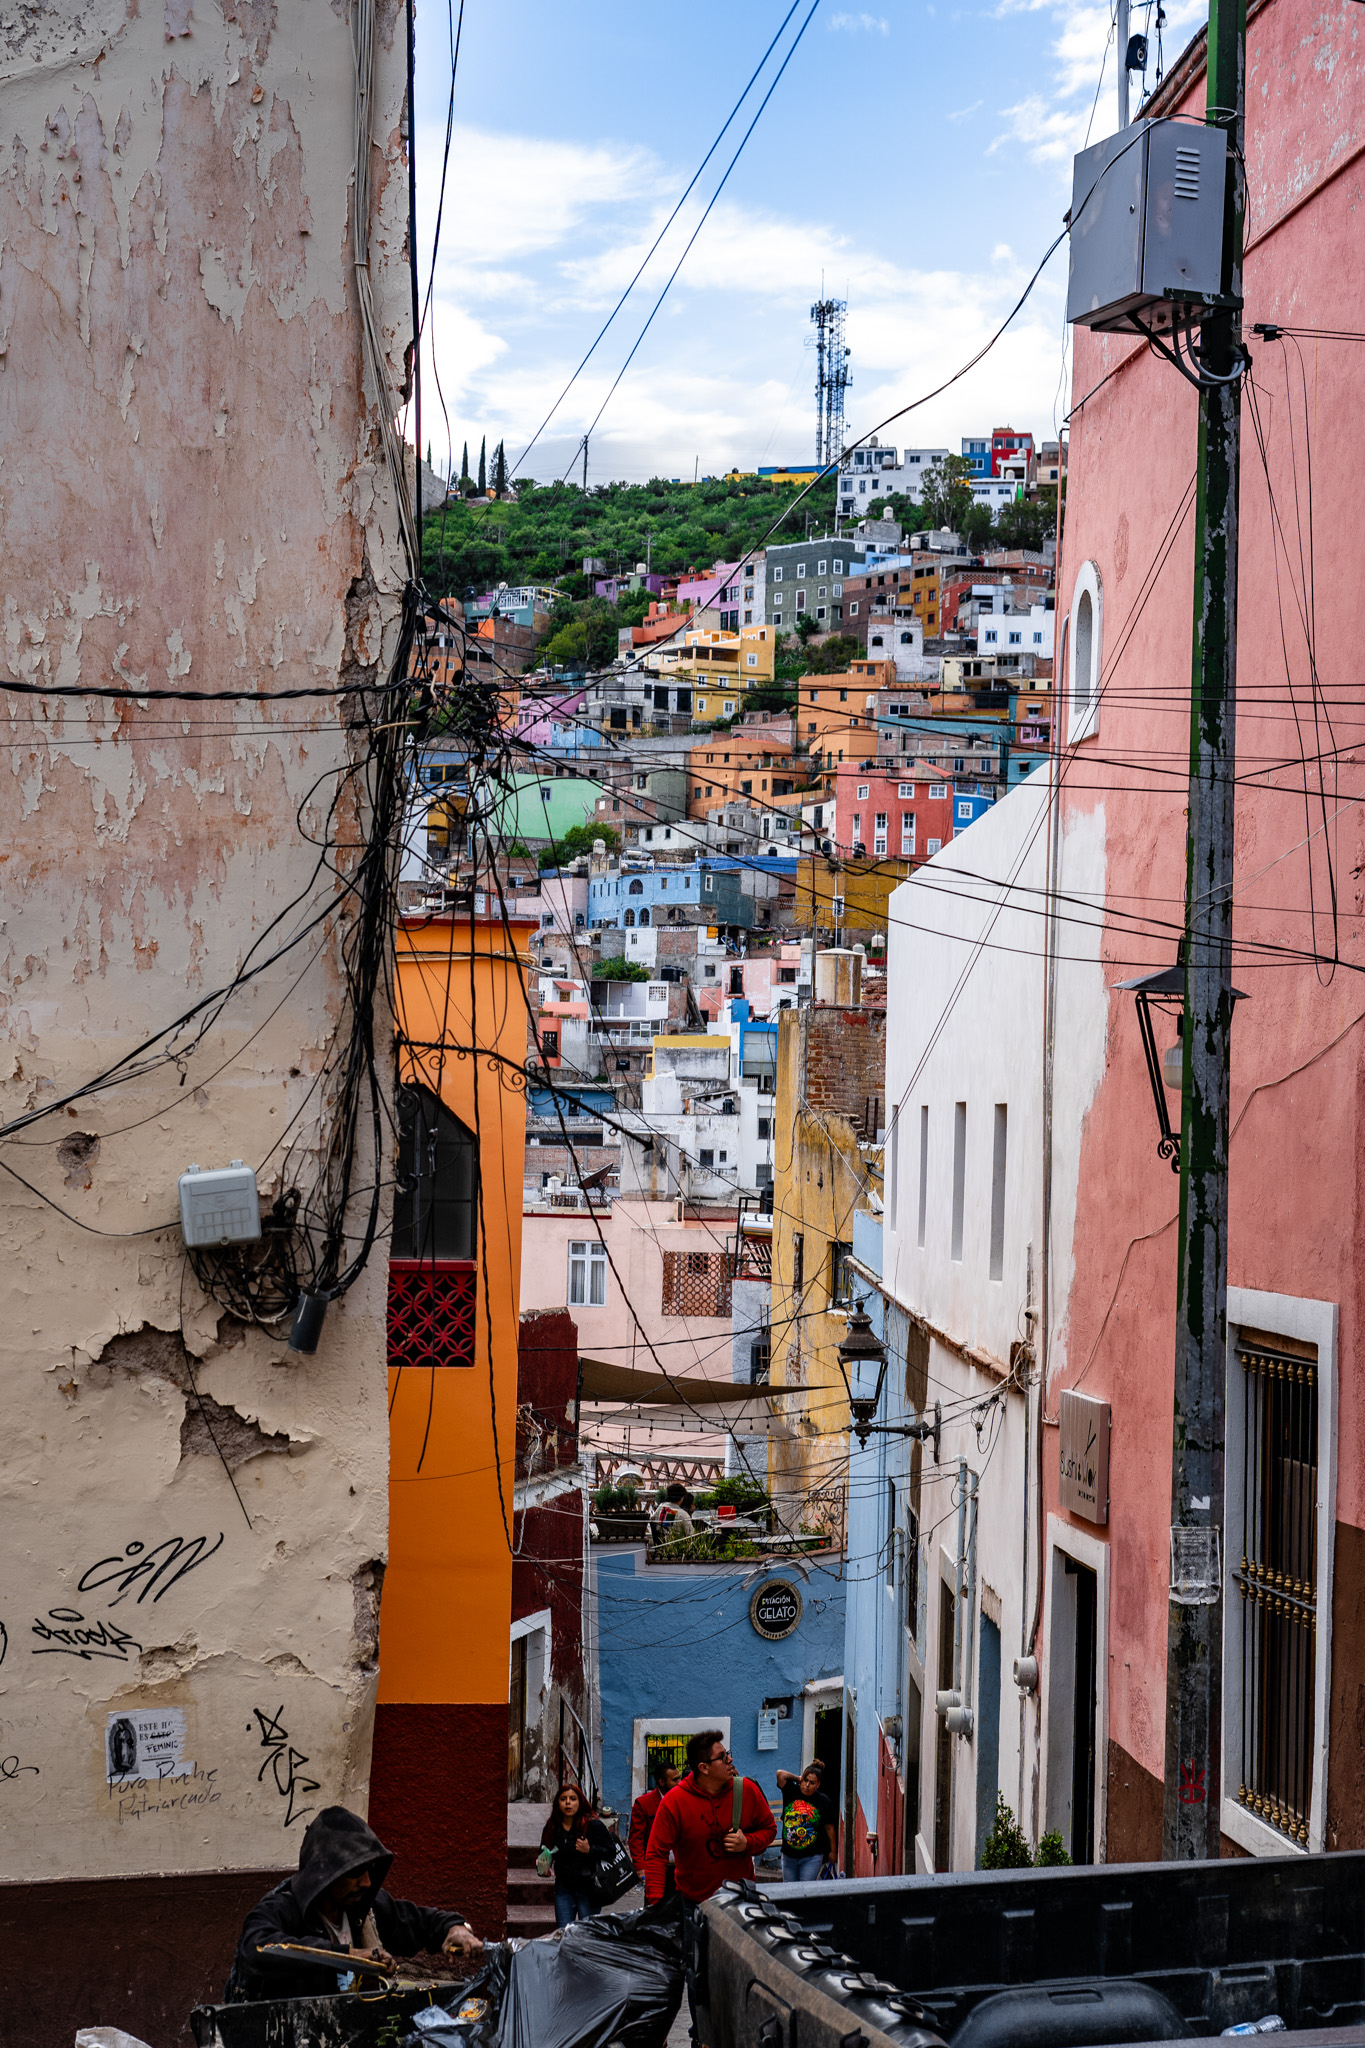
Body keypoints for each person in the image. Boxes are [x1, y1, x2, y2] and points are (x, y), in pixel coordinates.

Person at [226, 1805, 482, 2003]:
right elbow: (257, 1949)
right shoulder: (281, 1909)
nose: (367, 1882)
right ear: (324, 1875)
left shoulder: (366, 1910)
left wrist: (456, 1928)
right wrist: (350, 1957)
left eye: (369, 1870)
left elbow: (422, 1921)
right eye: (355, 1872)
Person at [645, 1730, 777, 2046]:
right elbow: (656, 1854)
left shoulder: (746, 1791)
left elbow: (769, 1829)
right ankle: (702, 2036)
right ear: (703, 1767)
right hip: (697, 1907)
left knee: (744, 1974)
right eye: (722, 1757)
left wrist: (748, 1842)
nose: (730, 1760)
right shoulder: (675, 1802)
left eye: (727, 1753)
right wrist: (655, 1907)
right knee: (699, 1977)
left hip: (741, 1905)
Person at [539, 1781, 613, 1927]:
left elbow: (611, 1852)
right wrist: (543, 1866)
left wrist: (590, 1849)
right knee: (564, 1932)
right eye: (563, 1799)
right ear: (557, 1803)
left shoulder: (592, 1824)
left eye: (573, 1799)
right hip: (564, 1888)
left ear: (580, 1802)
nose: (568, 1803)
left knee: (587, 1933)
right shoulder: (553, 1826)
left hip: (589, 1888)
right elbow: (544, 1851)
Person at [774, 1760, 837, 1883]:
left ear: (818, 1785)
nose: (807, 1785)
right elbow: (780, 1774)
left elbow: (830, 1828)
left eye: (812, 1783)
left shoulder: (823, 1801)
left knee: (806, 1890)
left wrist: (833, 1852)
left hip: (812, 1857)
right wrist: (798, 1778)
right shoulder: (791, 1791)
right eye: (805, 1780)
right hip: (788, 1856)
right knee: (789, 1890)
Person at [628, 1761, 681, 1880]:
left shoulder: (684, 1800)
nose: (680, 1783)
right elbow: (636, 1839)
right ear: (662, 1782)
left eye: (679, 1778)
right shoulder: (644, 1804)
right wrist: (640, 1867)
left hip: (682, 1866)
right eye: (675, 1780)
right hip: (657, 1867)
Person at [651, 1483, 695, 1548]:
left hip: (660, 1545)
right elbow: (692, 1536)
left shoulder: (661, 1507)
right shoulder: (683, 1515)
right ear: (682, 1498)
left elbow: (652, 1521)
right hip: (676, 1549)